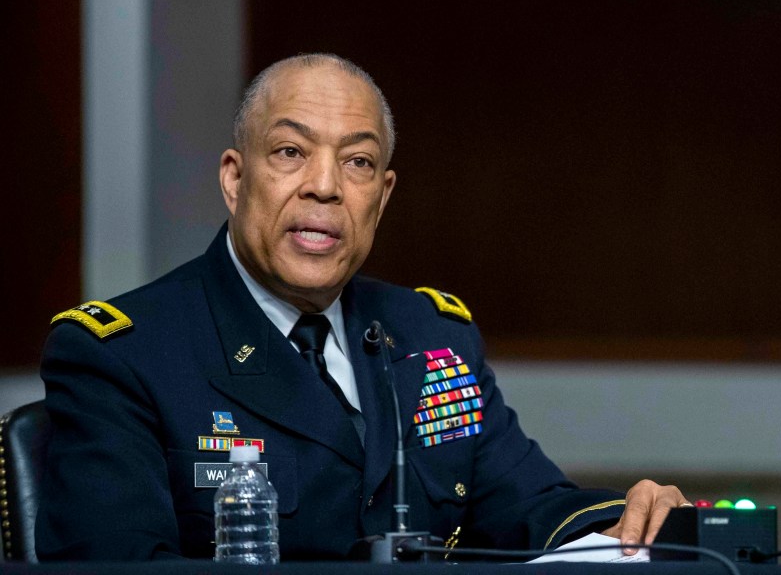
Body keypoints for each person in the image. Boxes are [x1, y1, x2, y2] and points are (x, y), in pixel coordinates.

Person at [36, 53, 688, 561]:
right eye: (291, 152)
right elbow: (118, 567)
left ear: (382, 194)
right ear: (236, 179)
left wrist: (631, 519)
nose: (324, 186)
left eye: (358, 162)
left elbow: (529, 508)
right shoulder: (125, 354)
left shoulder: (429, 337)